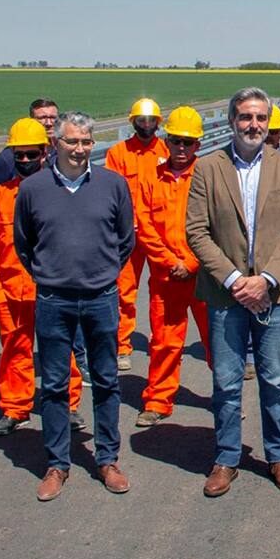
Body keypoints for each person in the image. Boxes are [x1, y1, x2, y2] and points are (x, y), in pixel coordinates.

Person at [185, 88, 280, 498]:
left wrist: (266, 279)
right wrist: (236, 280)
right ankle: (226, 458)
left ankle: (278, 455)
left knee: (275, 380)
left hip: (275, 293)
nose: (253, 125)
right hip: (226, 296)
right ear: (230, 121)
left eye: (259, 118)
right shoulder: (208, 168)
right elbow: (197, 232)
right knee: (226, 382)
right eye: (244, 117)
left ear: (269, 121)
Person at [14, 111, 135, 501]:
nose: (79, 149)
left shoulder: (112, 185)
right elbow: (23, 242)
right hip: (53, 299)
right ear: (56, 144)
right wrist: (48, 272)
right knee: (52, 385)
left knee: (105, 379)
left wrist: (103, 272)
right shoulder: (33, 189)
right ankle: (57, 464)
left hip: (101, 297)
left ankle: (107, 459)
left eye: (86, 141)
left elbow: (125, 239)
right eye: (71, 142)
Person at [0, 118, 87, 436]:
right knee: (15, 351)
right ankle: (15, 408)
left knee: (60, 351)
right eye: (19, 155)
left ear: (46, 151)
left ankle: (67, 406)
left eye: (31, 154)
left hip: (54, 290)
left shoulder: (62, 190)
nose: (25, 160)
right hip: (13, 293)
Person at [134, 107, 212, 427]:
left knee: (218, 341)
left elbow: (218, 225)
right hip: (166, 278)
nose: (181, 148)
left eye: (188, 142)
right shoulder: (150, 177)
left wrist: (192, 262)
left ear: (198, 145)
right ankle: (158, 399)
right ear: (166, 140)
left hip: (205, 277)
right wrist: (171, 262)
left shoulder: (210, 177)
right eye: (176, 141)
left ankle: (226, 397)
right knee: (165, 341)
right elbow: (144, 226)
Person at [105, 98, 169, 371]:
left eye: (150, 121)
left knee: (162, 291)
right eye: (141, 121)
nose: (146, 126)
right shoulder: (118, 153)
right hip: (127, 234)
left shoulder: (167, 151)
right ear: (133, 122)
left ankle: (161, 339)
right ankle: (121, 346)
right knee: (124, 292)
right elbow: (110, 193)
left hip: (158, 234)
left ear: (157, 122)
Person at [0, 98, 59, 192]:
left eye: (53, 118)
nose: (49, 123)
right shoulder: (9, 156)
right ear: (31, 120)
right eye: (42, 118)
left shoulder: (64, 151)